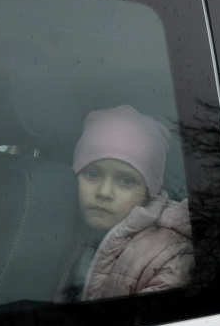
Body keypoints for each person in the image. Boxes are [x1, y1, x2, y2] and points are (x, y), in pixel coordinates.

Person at [56, 105, 192, 303]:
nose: (104, 192)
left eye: (126, 181)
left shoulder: (169, 256)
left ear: (148, 193)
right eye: (92, 174)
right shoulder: (61, 229)